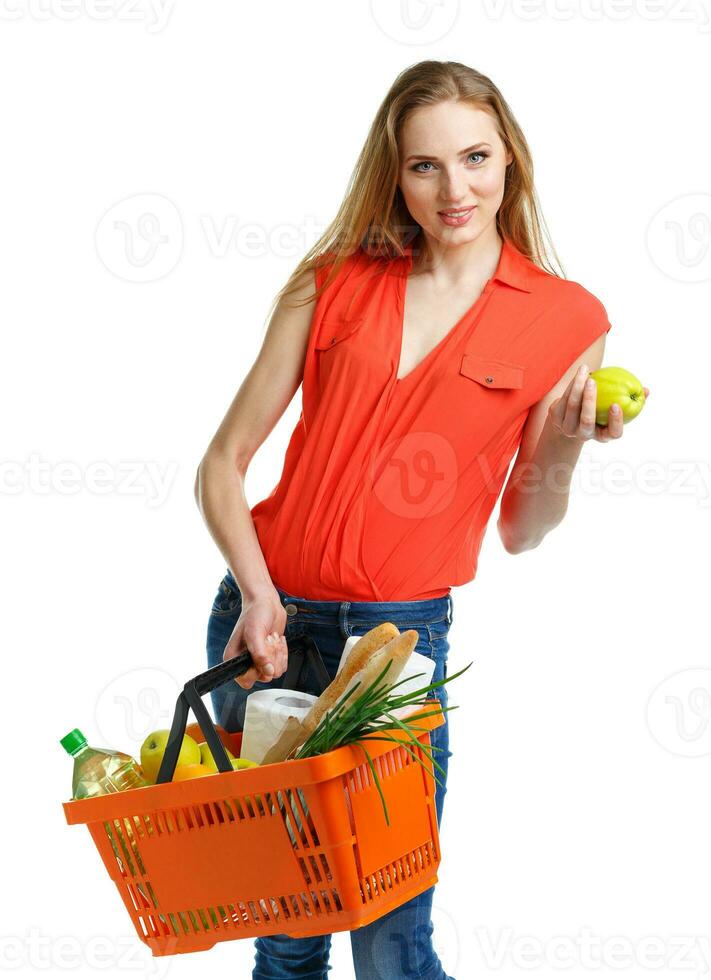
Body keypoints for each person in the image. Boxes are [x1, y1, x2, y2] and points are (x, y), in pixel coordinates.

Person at [195, 60, 649, 980]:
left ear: (509, 159)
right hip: (268, 631)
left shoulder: (567, 320)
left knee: (390, 935)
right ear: (393, 174)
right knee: (285, 933)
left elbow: (522, 530)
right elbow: (221, 465)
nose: (456, 189)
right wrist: (254, 594)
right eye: (425, 166)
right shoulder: (328, 283)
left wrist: (562, 447)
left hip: (392, 651)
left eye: (475, 157)